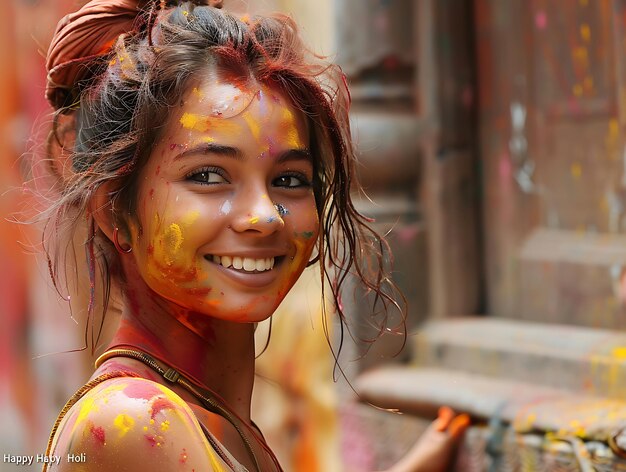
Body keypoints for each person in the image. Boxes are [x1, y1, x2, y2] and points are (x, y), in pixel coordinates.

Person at [38, 1, 469, 470]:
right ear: (112, 210)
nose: (265, 217)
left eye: (289, 179)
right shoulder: (137, 423)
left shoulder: (212, 416)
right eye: (207, 176)